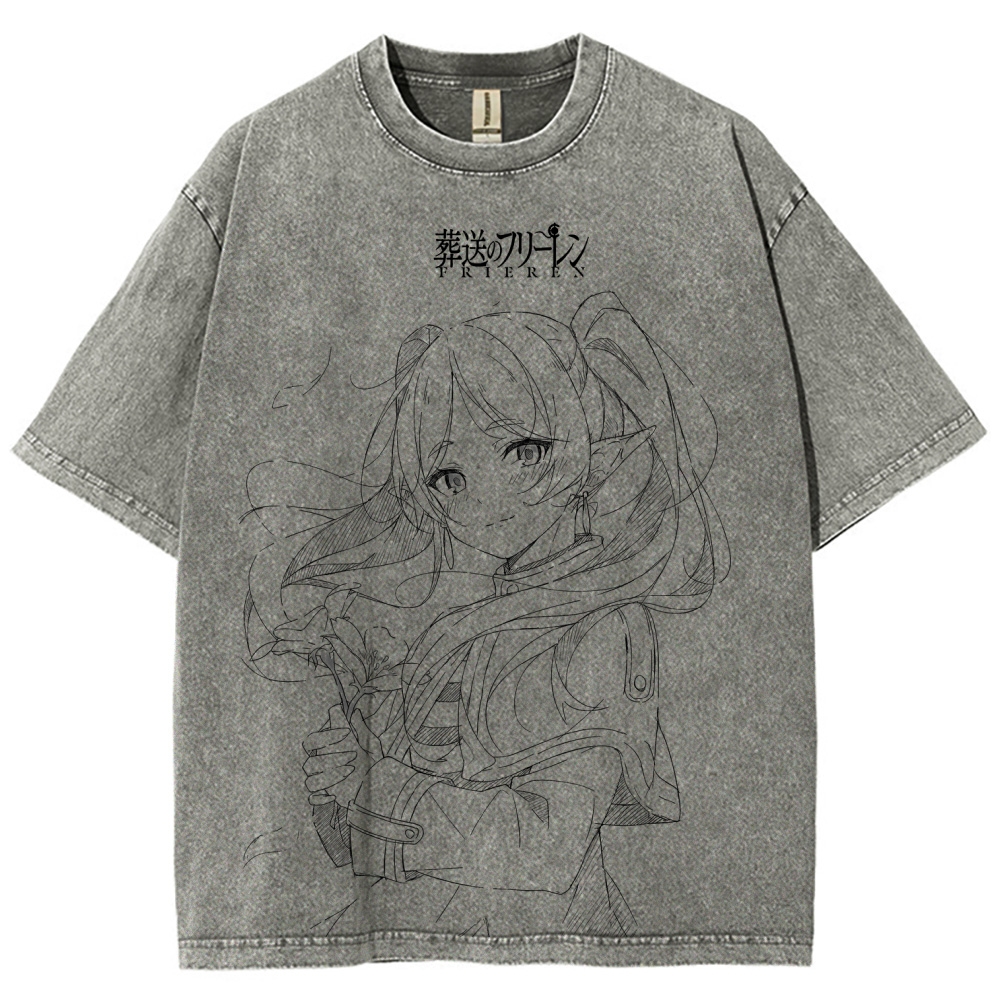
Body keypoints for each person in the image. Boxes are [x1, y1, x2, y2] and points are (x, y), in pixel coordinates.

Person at [246, 291, 729, 935]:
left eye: (524, 452)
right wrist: (341, 781)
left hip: (555, 940)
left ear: (583, 444)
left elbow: (548, 853)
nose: (485, 500)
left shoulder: (604, 626)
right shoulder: (457, 619)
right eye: (449, 477)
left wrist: (382, 783)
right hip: (414, 943)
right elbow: (361, 853)